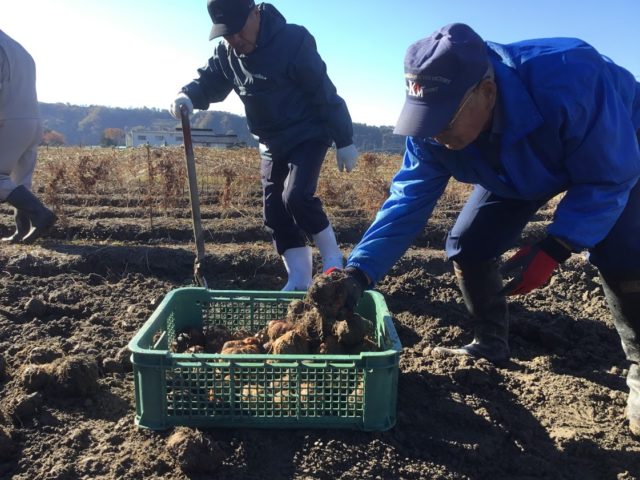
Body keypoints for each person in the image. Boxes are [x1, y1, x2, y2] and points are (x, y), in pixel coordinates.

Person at [332, 23, 640, 436]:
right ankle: (490, 342)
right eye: (426, 122)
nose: (436, 137)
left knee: (624, 252)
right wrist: (360, 271)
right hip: (515, 163)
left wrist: (557, 246)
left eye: (445, 122)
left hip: (618, 147)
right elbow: (407, 200)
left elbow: (608, 178)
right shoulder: (433, 130)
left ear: (487, 92)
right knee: (468, 243)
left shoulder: (572, 78)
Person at [169, 0, 358, 291]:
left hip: (307, 133)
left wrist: (344, 139)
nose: (234, 39)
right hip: (270, 140)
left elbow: (322, 89)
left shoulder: (293, 41)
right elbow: (210, 81)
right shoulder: (227, 53)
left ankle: (333, 257)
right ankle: (299, 277)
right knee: (274, 212)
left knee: (295, 197)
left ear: (254, 13)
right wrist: (188, 95)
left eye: (237, 30)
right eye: (225, 34)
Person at [0, 29, 56, 243]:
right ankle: (21, 231)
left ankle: (41, 215)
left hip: (8, 119)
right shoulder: (18, 48)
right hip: (32, 120)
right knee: (20, 180)